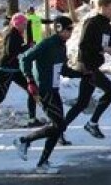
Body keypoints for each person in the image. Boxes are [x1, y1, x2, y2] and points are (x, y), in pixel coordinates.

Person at [12, 16, 82, 173]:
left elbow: (63, 69)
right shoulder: (47, 43)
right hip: (43, 89)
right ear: (59, 28)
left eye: (72, 29)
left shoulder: (62, 46)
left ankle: (42, 162)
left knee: (58, 126)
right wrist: (30, 80)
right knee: (59, 125)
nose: (71, 32)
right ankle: (24, 141)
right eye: (68, 29)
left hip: (54, 89)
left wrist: (82, 74)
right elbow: (25, 59)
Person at [64, 0, 111, 140]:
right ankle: (92, 123)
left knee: (82, 103)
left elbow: (109, 43)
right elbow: (83, 45)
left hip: (94, 65)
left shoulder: (106, 25)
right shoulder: (91, 23)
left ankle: (59, 129)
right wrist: (102, 49)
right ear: (102, 8)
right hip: (86, 65)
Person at [0, 13, 38, 131]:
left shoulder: (17, 34)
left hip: (15, 69)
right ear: (17, 24)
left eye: (25, 24)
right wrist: (26, 46)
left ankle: (32, 120)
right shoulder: (12, 34)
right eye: (23, 24)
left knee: (32, 90)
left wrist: (28, 41)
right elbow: (10, 51)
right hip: (6, 69)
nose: (24, 27)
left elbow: (21, 47)